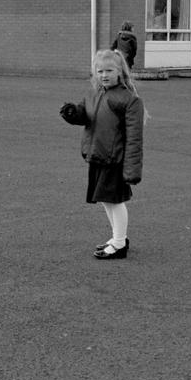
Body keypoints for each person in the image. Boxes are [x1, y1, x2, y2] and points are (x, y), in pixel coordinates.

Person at [59, 49, 145, 260]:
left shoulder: (129, 100)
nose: (104, 75)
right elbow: (85, 115)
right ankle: (118, 238)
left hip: (114, 159)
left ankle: (119, 243)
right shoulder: (94, 93)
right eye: (100, 71)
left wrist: (132, 169)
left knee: (114, 201)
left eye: (109, 70)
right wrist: (72, 113)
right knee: (107, 200)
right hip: (97, 155)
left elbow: (135, 138)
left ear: (120, 72)